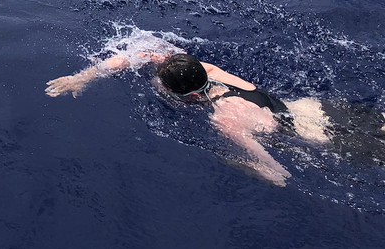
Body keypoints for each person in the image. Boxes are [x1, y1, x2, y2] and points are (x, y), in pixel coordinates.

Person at [46, 37, 385, 186]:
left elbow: (277, 172)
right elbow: (142, 52)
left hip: (309, 137)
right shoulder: (212, 70)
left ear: (184, 95)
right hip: (314, 110)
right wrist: (84, 77)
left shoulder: (226, 120)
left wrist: (247, 165)